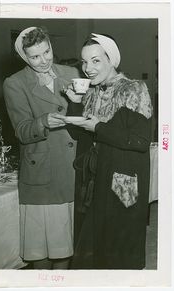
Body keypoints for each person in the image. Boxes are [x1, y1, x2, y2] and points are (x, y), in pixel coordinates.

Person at [62, 33, 153, 269]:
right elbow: (78, 135)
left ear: (111, 60)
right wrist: (75, 102)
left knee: (118, 256)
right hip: (94, 181)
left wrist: (99, 127)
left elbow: (141, 141)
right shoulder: (91, 92)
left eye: (95, 61)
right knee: (91, 255)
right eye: (84, 62)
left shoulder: (134, 90)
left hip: (121, 186)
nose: (87, 68)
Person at [3, 27, 80, 269]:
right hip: (43, 175)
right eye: (35, 57)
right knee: (43, 252)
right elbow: (22, 131)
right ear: (24, 57)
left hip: (75, 168)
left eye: (47, 52)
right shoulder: (14, 83)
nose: (44, 60)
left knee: (67, 245)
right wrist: (42, 122)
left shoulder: (72, 73)